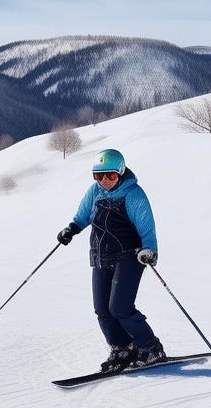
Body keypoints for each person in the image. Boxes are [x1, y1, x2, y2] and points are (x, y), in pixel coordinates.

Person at [57, 149, 165, 372]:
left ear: (121, 172)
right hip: (100, 256)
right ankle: (122, 348)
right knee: (102, 310)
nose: (104, 181)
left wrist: (150, 250)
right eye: (99, 176)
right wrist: (71, 229)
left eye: (111, 176)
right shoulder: (94, 192)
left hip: (129, 257)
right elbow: (83, 216)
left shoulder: (133, 194)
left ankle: (151, 348)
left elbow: (147, 226)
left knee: (120, 307)